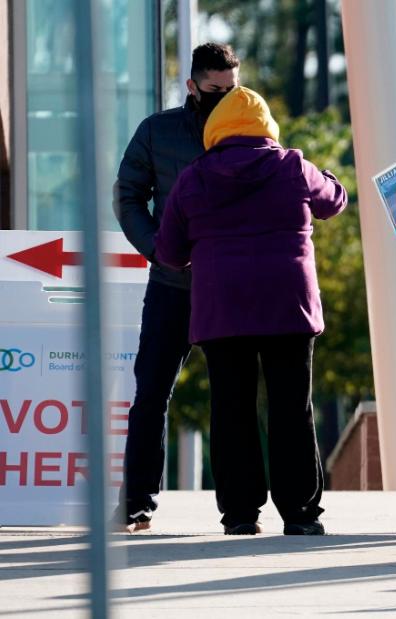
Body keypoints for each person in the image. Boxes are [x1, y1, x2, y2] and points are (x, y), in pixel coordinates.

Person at [155, 86, 347, 535]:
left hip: (222, 310)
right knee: (291, 408)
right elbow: (333, 202)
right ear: (267, 129)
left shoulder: (194, 177)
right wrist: (332, 177)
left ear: (217, 129)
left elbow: (168, 251)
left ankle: (240, 514)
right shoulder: (293, 166)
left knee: (230, 408)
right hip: (288, 307)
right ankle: (300, 514)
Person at [112, 42, 241, 533]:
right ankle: (137, 505)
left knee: (231, 397)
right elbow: (128, 197)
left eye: (233, 89)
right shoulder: (157, 131)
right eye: (214, 90)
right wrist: (160, 250)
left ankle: (238, 511)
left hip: (229, 287)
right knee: (151, 392)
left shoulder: (252, 128)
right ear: (192, 86)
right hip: (171, 283)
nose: (226, 98)